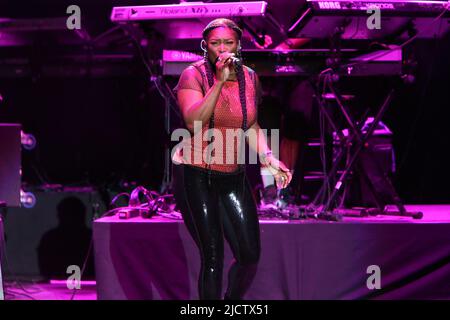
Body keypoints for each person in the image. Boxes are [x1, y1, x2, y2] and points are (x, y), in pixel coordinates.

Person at [171, 18, 292, 300]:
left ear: (239, 45)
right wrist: (219, 83)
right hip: (197, 173)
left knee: (249, 255)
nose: (222, 49)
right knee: (213, 255)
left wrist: (269, 157)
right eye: (215, 44)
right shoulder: (193, 75)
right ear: (205, 47)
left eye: (229, 43)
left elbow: (250, 124)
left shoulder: (250, 77)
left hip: (232, 174)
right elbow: (193, 123)